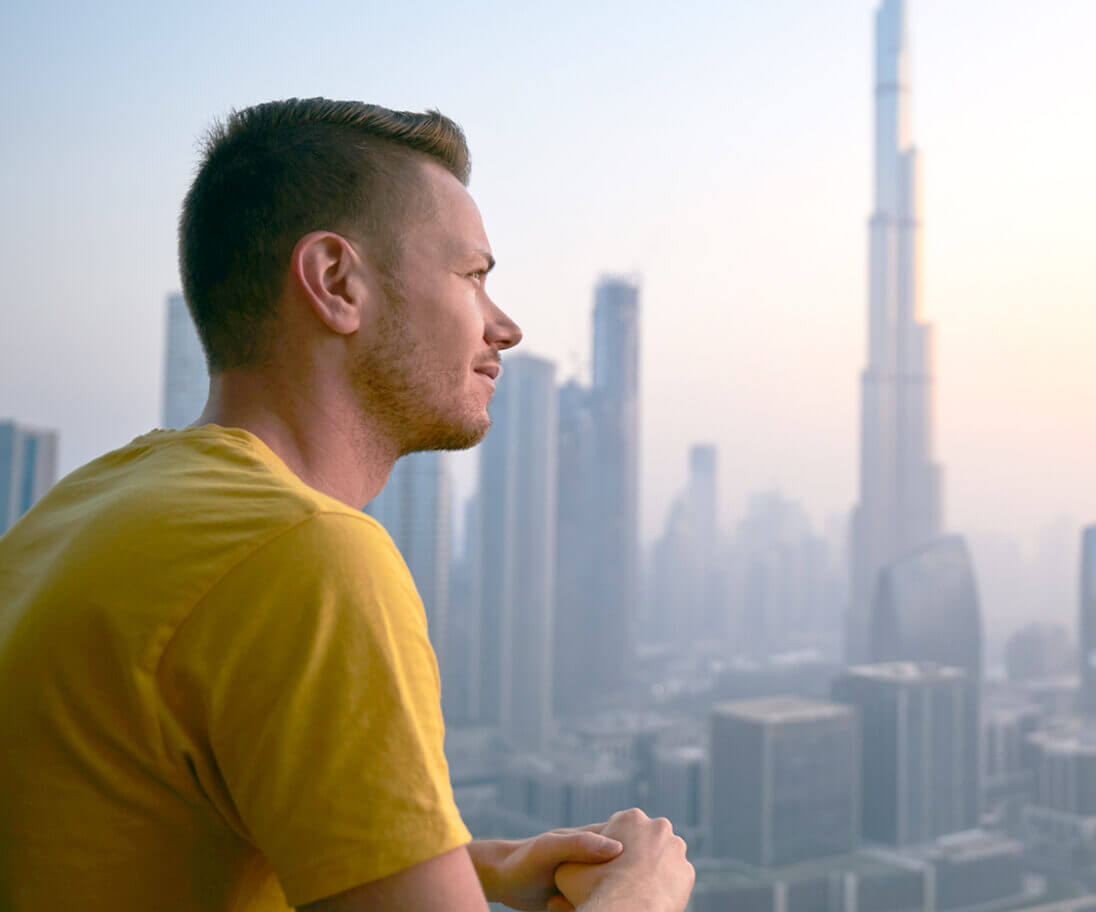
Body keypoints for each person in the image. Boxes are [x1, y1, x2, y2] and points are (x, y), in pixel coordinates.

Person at [0, 98, 695, 912]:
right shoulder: (309, 557)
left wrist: (452, 865)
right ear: (336, 282)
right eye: (473, 276)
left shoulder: (81, 510)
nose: (504, 327)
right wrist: (640, 896)